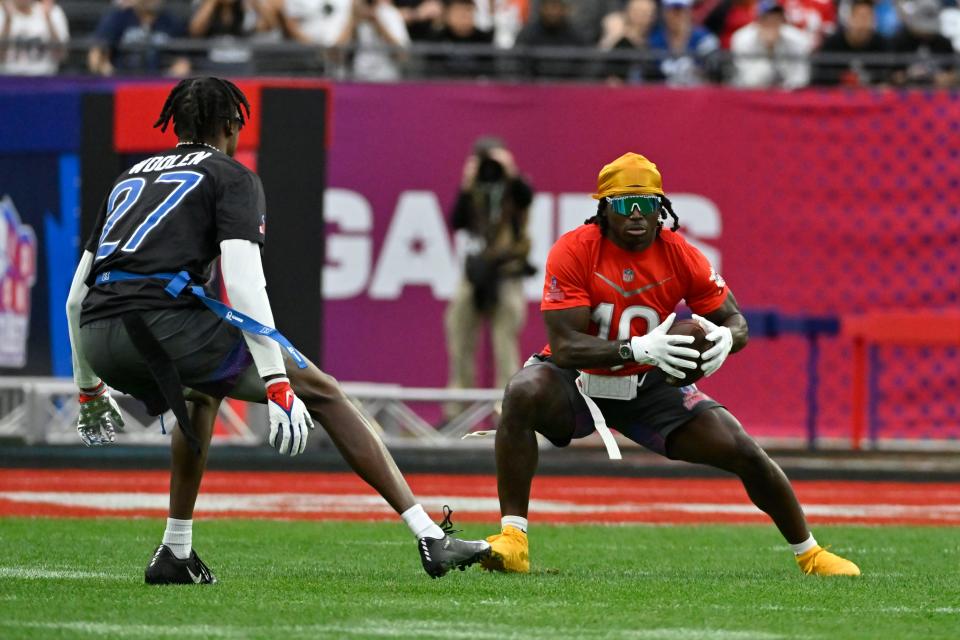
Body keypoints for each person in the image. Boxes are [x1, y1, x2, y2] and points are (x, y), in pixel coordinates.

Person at [65, 77, 490, 584]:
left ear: (175, 124)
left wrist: (88, 388)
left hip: (97, 335)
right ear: (229, 126)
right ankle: (429, 536)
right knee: (324, 392)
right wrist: (276, 380)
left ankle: (176, 551)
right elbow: (242, 283)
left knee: (202, 396)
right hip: (163, 325)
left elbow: (75, 298)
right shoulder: (231, 174)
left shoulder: (128, 177)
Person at [480, 152, 861, 578]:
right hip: (579, 380)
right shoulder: (574, 249)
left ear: (662, 207)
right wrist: (635, 350)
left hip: (649, 384)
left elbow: (736, 321)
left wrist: (726, 340)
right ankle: (513, 540)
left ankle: (810, 553)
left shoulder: (681, 254)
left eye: (648, 203)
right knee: (521, 393)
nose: (638, 214)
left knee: (744, 451)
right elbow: (565, 345)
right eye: (626, 204)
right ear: (604, 208)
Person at [445, 137, 533, 418]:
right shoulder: (474, 190)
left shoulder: (514, 188)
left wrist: (511, 172)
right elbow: (456, 221)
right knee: (459, 332)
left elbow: (526, 196)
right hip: (475, 274)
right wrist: (466, 185)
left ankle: (507, 412)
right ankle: (456, 412)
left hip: (507, 274)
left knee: (504, 341)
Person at [88, 0, 191, 77]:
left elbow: (182, 63)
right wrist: (110, 74)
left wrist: (167, 79)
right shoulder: (119, 17)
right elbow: (96, 54)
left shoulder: (172, 21)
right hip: (122, 82)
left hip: (159, 85)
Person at [731, 0, 813, 89]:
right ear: (757, 21)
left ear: (782, 20)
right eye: (766, 19)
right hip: (751, 95)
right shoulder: (742, 39)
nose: (771, 23)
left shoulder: (798, 39)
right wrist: (769, 49)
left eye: (776, 18)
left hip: (788, 97)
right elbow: (750, 81)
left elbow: (800, 79)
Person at [812, 0, 888, 86]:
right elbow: (820, 81)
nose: (864, 23)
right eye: (860, 17)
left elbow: (887, 81)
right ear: (850, 18)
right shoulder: (832, 44)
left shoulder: (881, 44)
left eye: (868, 17)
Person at [648, 0, 722, 85]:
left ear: (688, 12)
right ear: (665, 13)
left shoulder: (704, 38)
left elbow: (713, 73)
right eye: (672, 12)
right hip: (663, 94)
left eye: (680, 11)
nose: (677, 17)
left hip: (696, 93)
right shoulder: (655, 40)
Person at [889, 0, 957, 87]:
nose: (926, 32)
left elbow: (953, 72)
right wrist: (905, 77)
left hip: (938, 94)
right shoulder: (900, 41)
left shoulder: (944, 42)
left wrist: (947, 78)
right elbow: (892, 75)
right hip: (907, 94)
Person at [0, 0, 69, 75]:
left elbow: (61, 55)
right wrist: (8, 20)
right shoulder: (2, 12)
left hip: (45, 78)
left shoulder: (52, 11)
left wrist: (48, 18)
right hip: (6, 79)